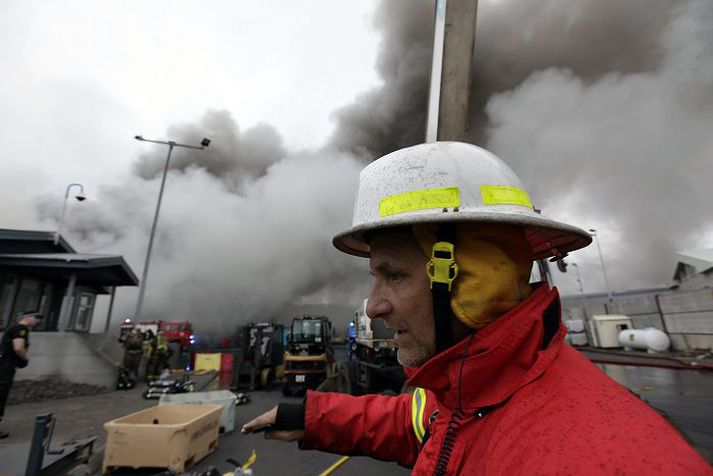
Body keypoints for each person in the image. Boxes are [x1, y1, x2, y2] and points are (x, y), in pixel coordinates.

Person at [242, 142, 712, 474]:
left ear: (468, 281)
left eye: (395, 275)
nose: (374, 306)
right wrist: (310, 417)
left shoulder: (599, 457)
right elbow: (423, 427)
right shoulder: (473, 391)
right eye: (375, 277)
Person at [0, 311, 43, 439]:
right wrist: (25, 359)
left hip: (4, 364)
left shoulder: (13, 328)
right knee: (1, 394)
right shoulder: (21, 329)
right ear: (28, 317)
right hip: (6, 366)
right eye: (36, 318)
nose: (37, 321)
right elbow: (18, 347)